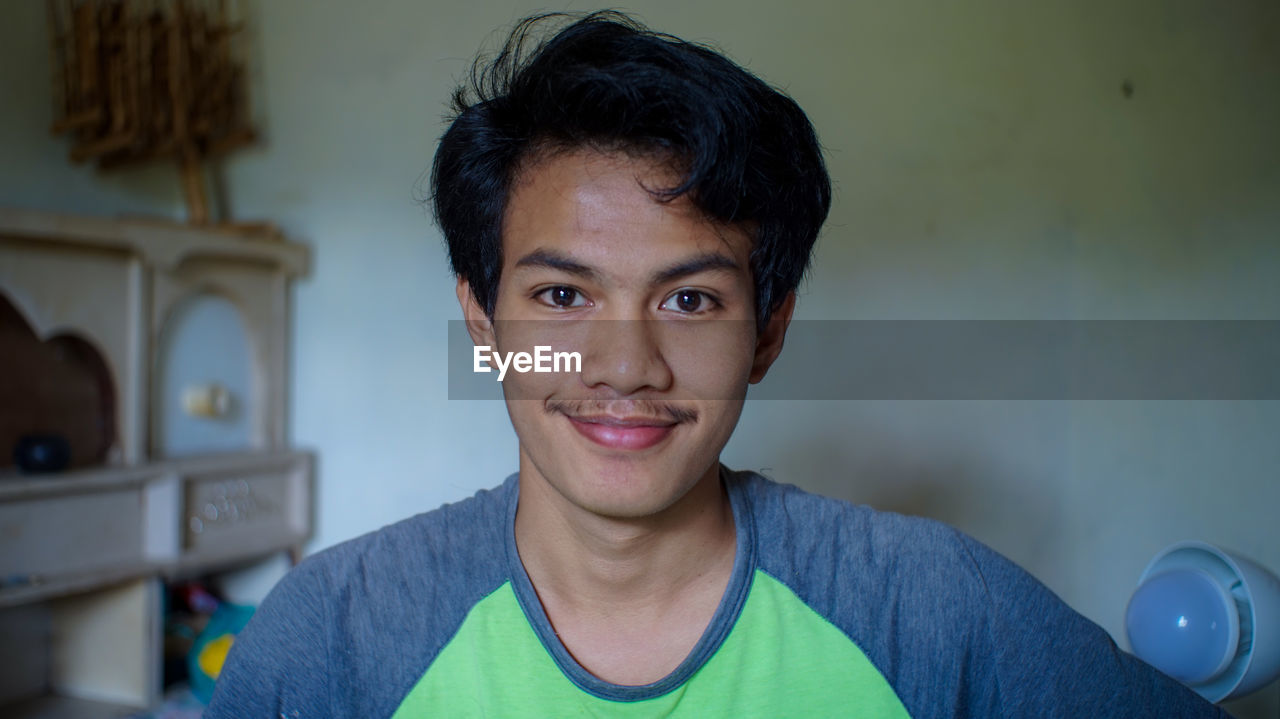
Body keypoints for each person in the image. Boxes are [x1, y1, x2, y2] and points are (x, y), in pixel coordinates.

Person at [207, 11, 1226, 718]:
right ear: (483, 321)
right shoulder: (329, 638)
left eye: (689, 299)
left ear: (768, 328)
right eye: (561, 296)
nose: (625, 364)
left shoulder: (928, 609)